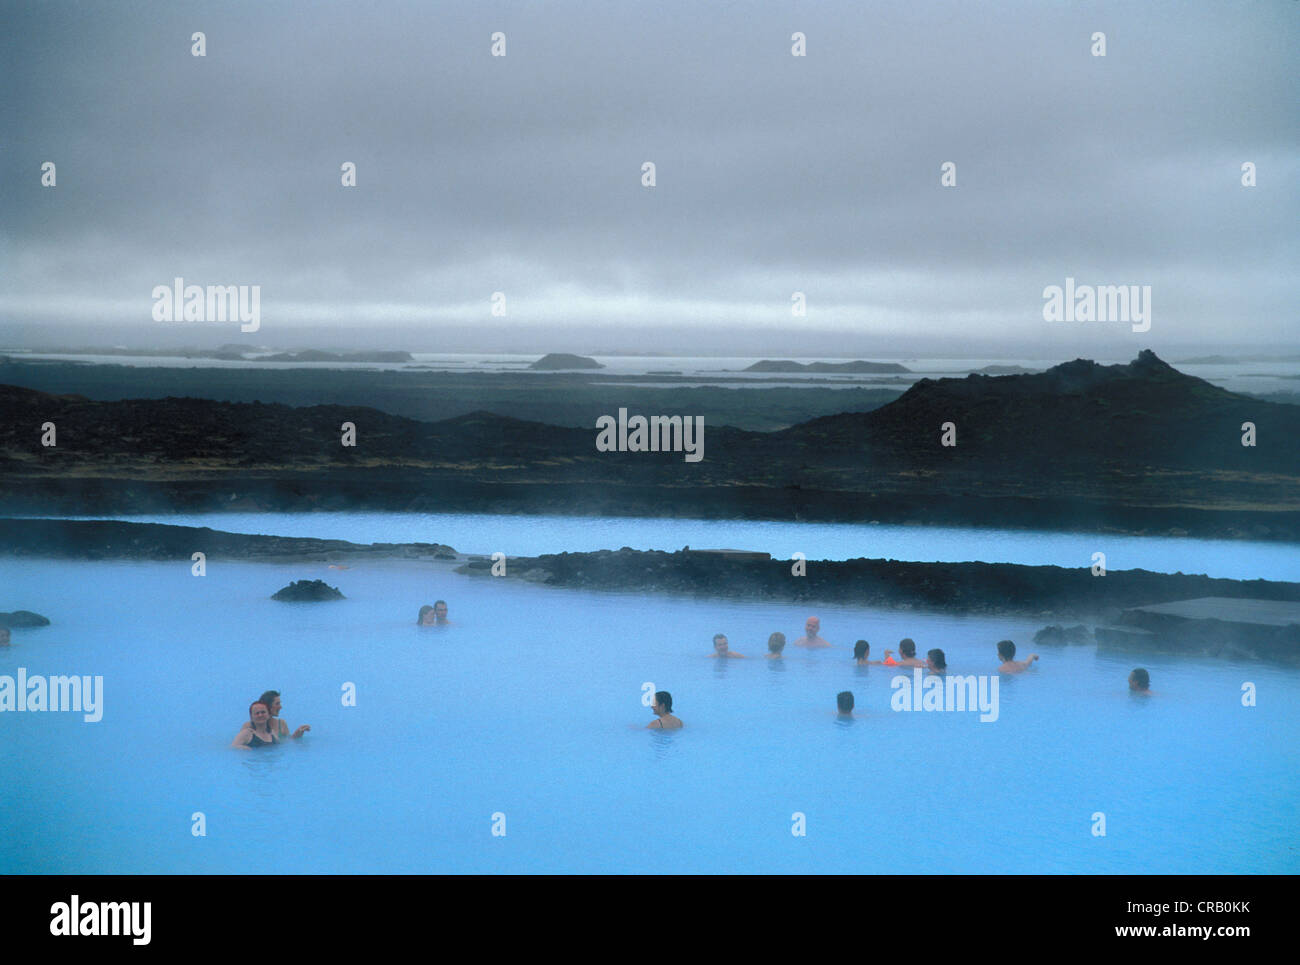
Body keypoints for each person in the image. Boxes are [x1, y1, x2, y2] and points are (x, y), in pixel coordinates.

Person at [240, 690, 310, 740]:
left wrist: (297, 734)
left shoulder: (281, 724)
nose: (280, 707)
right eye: (277, 704)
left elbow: (287, 744)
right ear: (268, 706)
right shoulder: (249, 726)